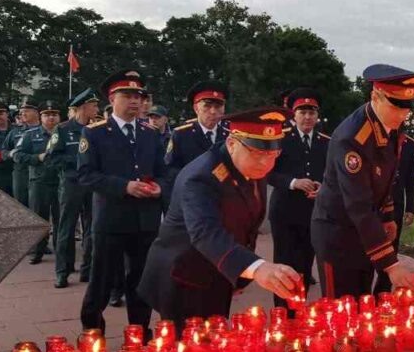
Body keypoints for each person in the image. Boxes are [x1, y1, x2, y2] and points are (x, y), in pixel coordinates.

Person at [139, 108, 300, 333]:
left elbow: (246, 224)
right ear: (233, 143)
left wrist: (239, 273)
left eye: (273, 155)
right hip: (185, 277)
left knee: (216, 342)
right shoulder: (201, 176)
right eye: (257, 153)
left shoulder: (251, 168)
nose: (266, 163)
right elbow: (206, 233)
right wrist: (257, 268)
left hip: (218, 273)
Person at [312, 64, 414, 297]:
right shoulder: (353, 139)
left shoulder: (391, 127)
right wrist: (391, 264)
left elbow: (384, 179)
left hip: (366, 234)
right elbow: (358, 204)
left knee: (362, 304)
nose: (403, 114)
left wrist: (387, 217)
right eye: (396, 106)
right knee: (342, 311)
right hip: (339, 236)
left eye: (408, 108)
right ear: (375, 96)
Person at [78, 70, 168, 336]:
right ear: (112, 99)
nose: (135, 101)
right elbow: (86, 175)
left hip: (145, 220)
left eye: (138, 96)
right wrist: (124, 186)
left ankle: (139, 332)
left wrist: (160, 187)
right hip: (112, 219)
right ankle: (92, 329)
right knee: (102, 280)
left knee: (141, 280)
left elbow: (164, 171)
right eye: (127, 96)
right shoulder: (94, 133)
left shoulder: (150, 133)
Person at [266, 88, 329, 308]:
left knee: (304, 265)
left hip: (313, 213)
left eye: (312, 112)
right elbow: (267, 172)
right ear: (294, 114)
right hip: (285, 213)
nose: (308, 117)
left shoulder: (325, 141)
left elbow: (331, 172)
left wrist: (324, 187)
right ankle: (283, 316)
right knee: (284, 267)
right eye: (302, 112)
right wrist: (293, 182)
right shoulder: (279, 138)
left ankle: (300, 313)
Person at [47, 88, 100, 288]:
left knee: (92, 228)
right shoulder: (62, 129)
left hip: (93, 184)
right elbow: (53, 158)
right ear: (83, 107)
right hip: (71, 184)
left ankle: (87, 270)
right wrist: (78, 160)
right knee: (66, 228)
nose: (97, 108)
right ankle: (62, 271)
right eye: (94, 105)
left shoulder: (97, 129)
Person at [14, 100, 61, 263]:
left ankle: (61, 252)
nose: (51, 118)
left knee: (60, 219)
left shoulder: (64, 134)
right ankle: (37, 251)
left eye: (54, 114)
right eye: (47, 115)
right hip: (39, 182)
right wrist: (37, 158)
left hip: (60, 182)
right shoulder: (30, 135)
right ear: (41, 117)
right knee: (39, 219)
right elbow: (18, 155)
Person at [374, 132, 414, 293]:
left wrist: (411, 207)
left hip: (395, 206)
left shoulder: (411, 144)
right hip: (370, 205)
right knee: (366, 252)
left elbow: (411, 178)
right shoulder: (373, 137)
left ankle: (382, 295)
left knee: (391, 250)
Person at [166, 80, 230, 181]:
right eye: (207, 106)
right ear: (196, 108)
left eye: (218, 106)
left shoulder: (230, 133)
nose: (213, 111)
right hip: (192, 191)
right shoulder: (182, 135)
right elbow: (170, 169)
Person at [4, 101, 38, 207]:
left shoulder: (45, 130)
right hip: (21, 174)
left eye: (26, 111)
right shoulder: (15, 132)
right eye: (21, 112)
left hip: (40, 174)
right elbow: (3, 151)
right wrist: (11, 154)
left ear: (36, 113)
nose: (23, 114)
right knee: (20, 206)